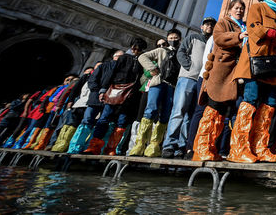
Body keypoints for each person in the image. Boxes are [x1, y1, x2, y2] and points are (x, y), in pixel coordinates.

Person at [228, 0, 276, 163]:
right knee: (251, 100)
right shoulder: (258, 7)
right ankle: (239, 148)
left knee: (271, 103)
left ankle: (260, 147)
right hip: (256, 62)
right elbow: (254, 28)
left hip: (273, 65)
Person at [192, 0, 247, 161]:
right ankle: (201, 149)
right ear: (230, 10)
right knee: (213, 108)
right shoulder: (224, 22)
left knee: (223, 113)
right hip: (220, 73)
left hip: (233, 75)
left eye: (242, 8)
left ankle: (211, 148)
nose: (239, 10)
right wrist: (238, 36)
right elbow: (219, 38)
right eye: (236, 8)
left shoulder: (242, 25)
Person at [162, 17, 215, 158]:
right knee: (179, 110)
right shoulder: (193, 37)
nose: (209, 27)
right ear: (201, 26)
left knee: (190, 114)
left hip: (201, 80)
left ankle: (181, 146)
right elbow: (181, 52)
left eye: (211, 25)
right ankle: (169, 145)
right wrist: (189, 67)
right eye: (207, 24)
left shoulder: (212, 41)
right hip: (187, 78)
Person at [82, 39, 146, 155]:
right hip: (115, 90)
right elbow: (112, 73)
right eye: (134, 48)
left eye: (139, 49)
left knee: (122, 121)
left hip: (130, 95)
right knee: (104, 118)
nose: (136, 51)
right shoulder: (123, 58)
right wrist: (103, 90)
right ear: (131, 47)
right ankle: (94, 146)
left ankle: (111, 148)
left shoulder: (142, 62)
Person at [129, 29, 182, 157]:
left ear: (180, 39)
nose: (173, 39)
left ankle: (154, 145)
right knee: (150, 110)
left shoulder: (181, 53)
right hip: (158, 82)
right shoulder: (161, 50)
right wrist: (152, 68)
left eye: (175, 38)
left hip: (172, 86)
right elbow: (142, 56)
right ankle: (140, 144)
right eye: (171, 37)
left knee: (165, 114)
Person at [67, 51, 123, 154]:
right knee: (87, 120)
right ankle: (75, 147)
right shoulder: (103, 66)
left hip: (110, 100)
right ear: (114, 56)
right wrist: (98, 91)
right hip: (95, 98)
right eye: (120, 56)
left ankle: (92, 147)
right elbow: (92, 80)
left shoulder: (123, 70)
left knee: (103, 122)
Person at [51, 66, 96, 152]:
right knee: (67, 125)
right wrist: (68, 101)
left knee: (81, 125)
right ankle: (58, 145)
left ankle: (72, 147)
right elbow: (72, 90)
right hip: (77, 103)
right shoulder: (83, 78)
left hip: (89, 104)